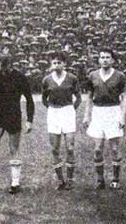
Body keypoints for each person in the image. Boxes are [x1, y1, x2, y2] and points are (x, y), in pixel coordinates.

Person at [0, 54, 35, 194]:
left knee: (13, 148)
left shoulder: (20, 77)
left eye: (4, 67)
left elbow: (29, 99)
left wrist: (29, 120)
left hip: (13, 114)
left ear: (11, 66)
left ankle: (15, 183)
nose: (2, 70)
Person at [83, 48, 126, 189]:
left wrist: (122, 116)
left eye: (108, 57)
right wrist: (86, 115)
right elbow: (89, 97)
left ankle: (115, 179)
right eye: (102, 57)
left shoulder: (120, 76)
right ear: (99, 59)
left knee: (114, 148)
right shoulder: (92, 75)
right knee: (97, 149)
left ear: (113, 60)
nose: (104, 60)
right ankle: (100, 180)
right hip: (98, 112)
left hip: (113, 111)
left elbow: (125, 97)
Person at [41, 52, 82, 190]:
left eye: (59, 62)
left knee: (70, 147)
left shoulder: (72, 78)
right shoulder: (47, 80)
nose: (56, 65)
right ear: (50, 65)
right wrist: (53, 109)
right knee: (54, 149)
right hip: (53, 113)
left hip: (67, 111)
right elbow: (43, 99)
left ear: (64, 64)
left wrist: (70, 109)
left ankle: (70, 179)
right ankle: (60, 180)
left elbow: (79, 98)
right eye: (54, 63)